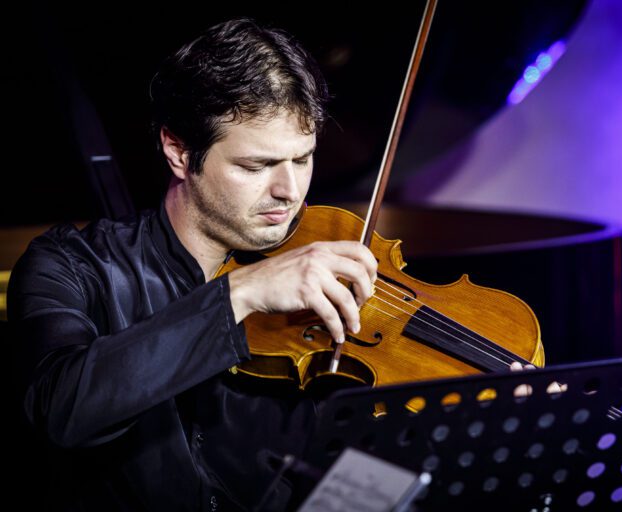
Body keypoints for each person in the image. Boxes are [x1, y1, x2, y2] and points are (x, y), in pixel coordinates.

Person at [8, 17, 378, 511]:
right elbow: (62, 409)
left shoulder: (319, 270)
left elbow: (360, 466)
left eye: (303, 159)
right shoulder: (71, 266)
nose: (289, 192)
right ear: (179, 151)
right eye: (257, 166)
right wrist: (240, 293)